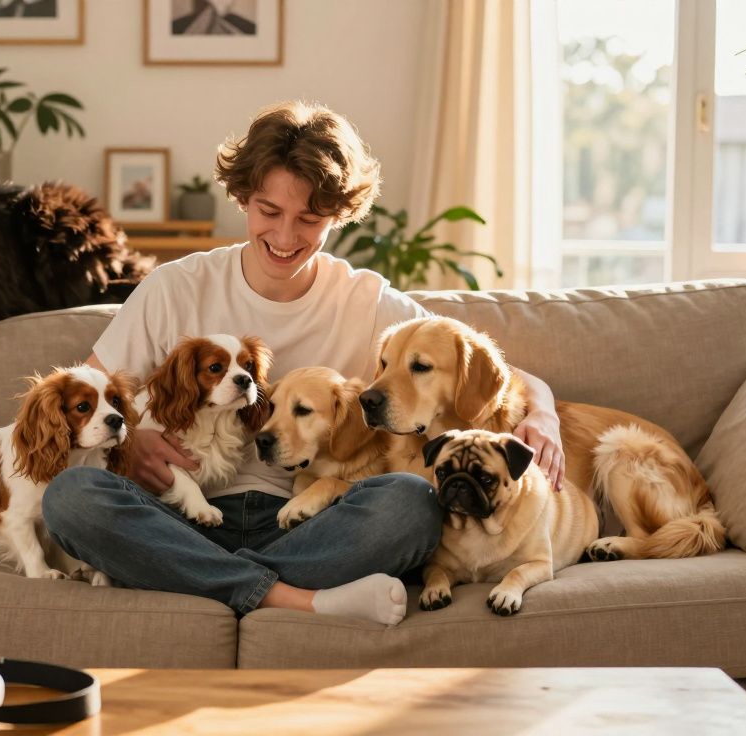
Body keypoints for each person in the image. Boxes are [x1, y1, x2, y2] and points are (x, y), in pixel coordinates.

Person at [42, 101, 565, 626]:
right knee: (71, 497)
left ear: (339, 215)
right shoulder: (175, 287)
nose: (286, 237)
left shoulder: (368, 301)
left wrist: (542, 413)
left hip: (310, 522)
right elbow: (80, 401)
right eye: (269, 211)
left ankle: (199, 576)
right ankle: (290, 597)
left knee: (409, 503)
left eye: (309, 219)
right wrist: (130, 442)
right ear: (243, 197)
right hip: (174, 512)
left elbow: (487, 371)